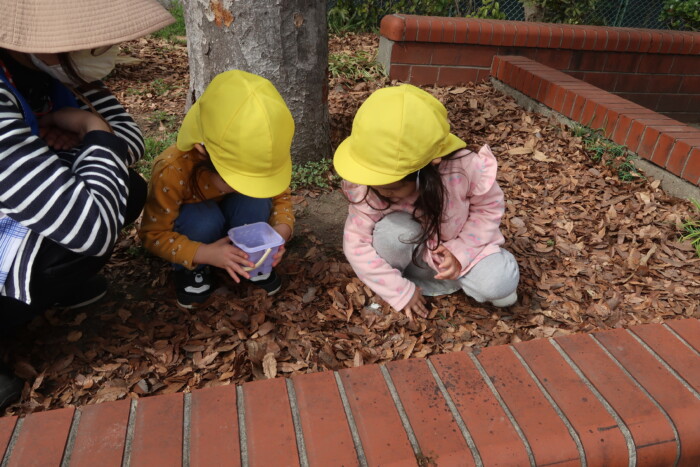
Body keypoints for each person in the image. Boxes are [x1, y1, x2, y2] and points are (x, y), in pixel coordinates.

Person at [0, 0, 174, 410]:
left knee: (126, 188)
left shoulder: (48, 68)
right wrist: (90, 127)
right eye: (82, 36)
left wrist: (77, 137)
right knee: (86, 224)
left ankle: (50, 290)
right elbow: (89, 228)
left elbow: (130, 139)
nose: (100, 47)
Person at [333, 84, 520, 320]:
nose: (382, 192)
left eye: (392, 188)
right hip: (413, 258)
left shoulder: (464, 168)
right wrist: (398, 291)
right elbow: (356, 244)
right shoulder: (369, 185)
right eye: (375, 184)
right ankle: (402, 282)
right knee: (392, 231)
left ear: (426, 170)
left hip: (465, 252)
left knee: (500, 286)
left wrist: (460, 253)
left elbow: (488, 209)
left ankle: (474, 275)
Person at [139, 70, 295, 310]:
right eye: (238, 180)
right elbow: (153, 234)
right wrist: (204, 253)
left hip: (236, 220)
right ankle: (194, 270)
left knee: (255, 200)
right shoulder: (173, 169)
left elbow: (280, 197)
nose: (247, 186)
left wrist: (279, 235)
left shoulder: (262, 152)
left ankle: (253, 257)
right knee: (203, 220)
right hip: (196, 230)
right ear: (202, 151)